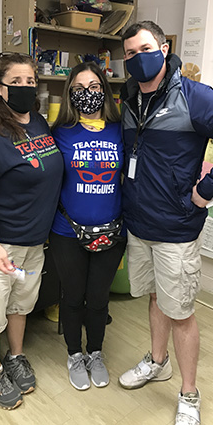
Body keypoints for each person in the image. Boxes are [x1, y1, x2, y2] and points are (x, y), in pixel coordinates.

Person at [117, 21, 213, 425]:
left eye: (144, 48)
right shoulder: (128, 100)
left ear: (163, 49)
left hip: (177, 228)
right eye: (129, 53)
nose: (137, 58)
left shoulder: (193, 97)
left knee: (180, 311)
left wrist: (205, 191)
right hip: (139, 223)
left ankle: (189, 394)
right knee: (154, 298)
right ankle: (157, 361)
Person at [0, 52, 64, 410]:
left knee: (21, 304)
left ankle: (15, 356)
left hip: (32, 241)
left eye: (30, 81)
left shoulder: (37, 121)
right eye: (16, 82)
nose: (25, 87)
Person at [49, 61, 126, 391]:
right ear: (69, 94)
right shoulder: (59, 133)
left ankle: (95, 352)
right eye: (79, 88)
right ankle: (73, 354)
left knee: (98, 299)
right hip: (68, 232)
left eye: (94, 86)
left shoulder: (120, 129)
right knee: (72, 297)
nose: (87, 94)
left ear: (105, 90)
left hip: (113, 230)